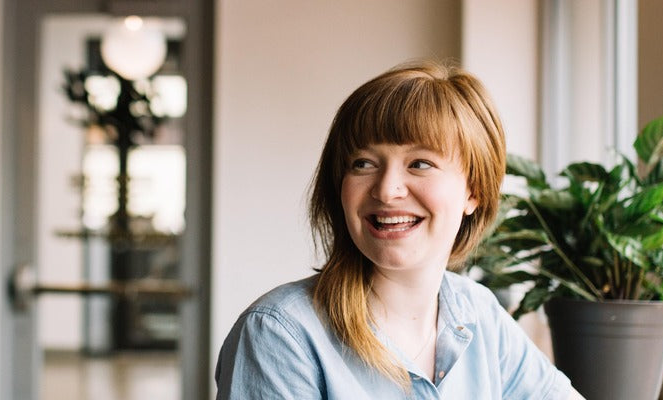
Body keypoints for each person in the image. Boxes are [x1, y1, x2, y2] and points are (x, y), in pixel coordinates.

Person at [215, 61, 584, 399]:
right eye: (363, 163)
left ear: (473, 191)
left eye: (420, 163)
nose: (386, 189)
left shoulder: (479, 314)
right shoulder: (280, 334)